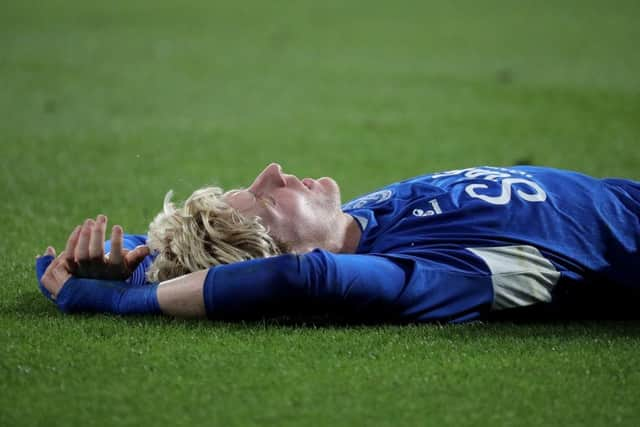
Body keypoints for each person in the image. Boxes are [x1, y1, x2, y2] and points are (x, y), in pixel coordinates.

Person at [36, 163, 640, 323]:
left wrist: (134, 261)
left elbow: (50, 263)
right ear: (284, 249)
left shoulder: (356, 220)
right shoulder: (425, 274)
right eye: (268, 199)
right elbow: (298, 280)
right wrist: (110, 301)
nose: (272, 172)